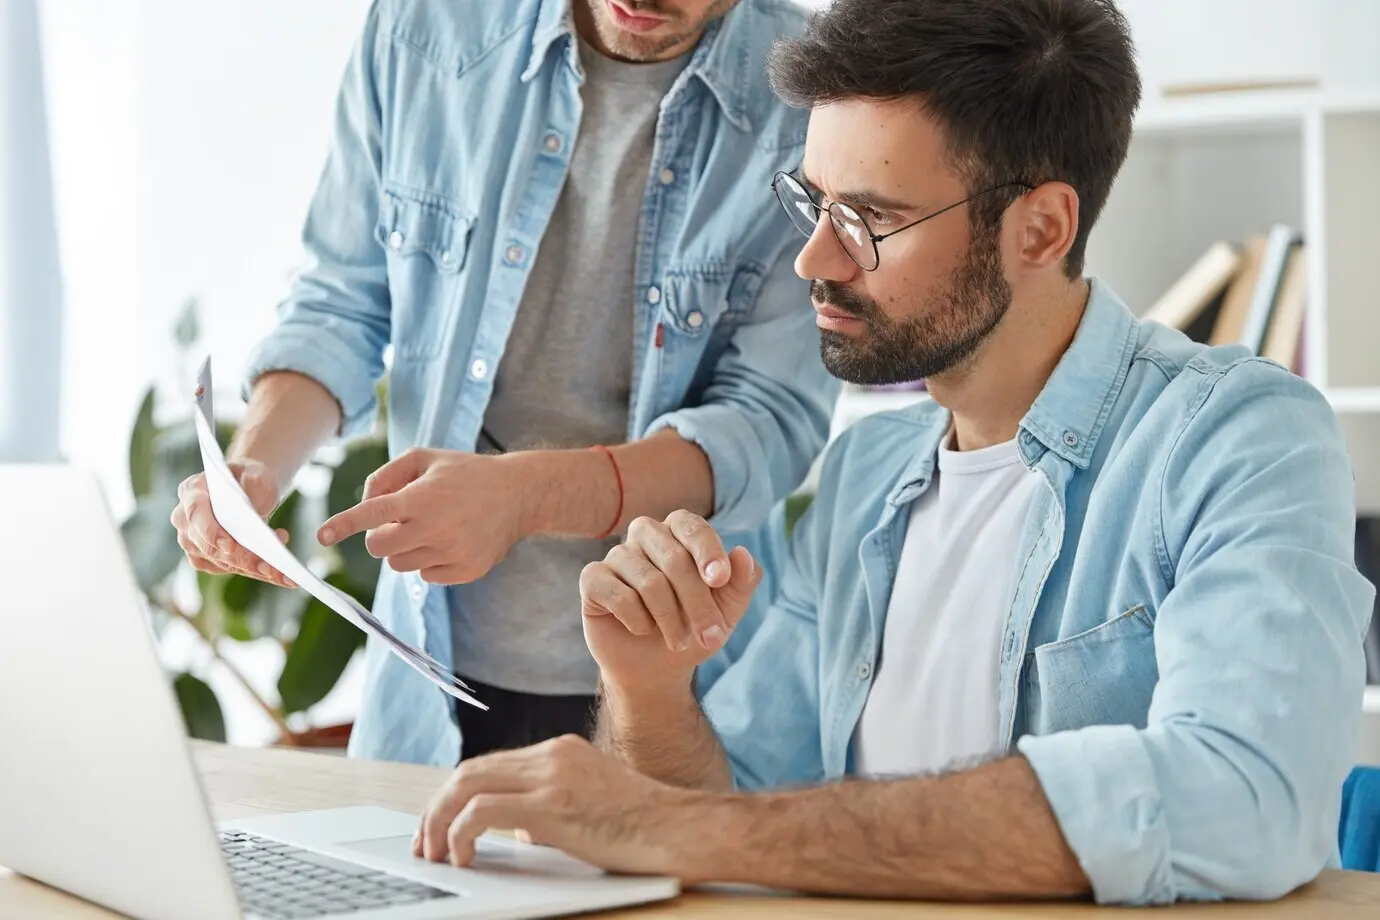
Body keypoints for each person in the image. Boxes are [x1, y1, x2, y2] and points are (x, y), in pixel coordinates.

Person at [409, 0, 1377, 905]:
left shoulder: (1238, 435)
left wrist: (688, 822)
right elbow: (734, 800)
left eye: (869, 219)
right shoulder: (867, 471)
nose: (813, 261)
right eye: (812, 201)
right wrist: (649, 686)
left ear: (1040, 227)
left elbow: (1247, 794)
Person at [168, 0, 836, 766]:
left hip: (675, 694)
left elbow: (767, 423)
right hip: (425, 678)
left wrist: (525, 497)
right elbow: (341, 301)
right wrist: (255, 464)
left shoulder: (812, 99)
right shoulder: (426, 27)